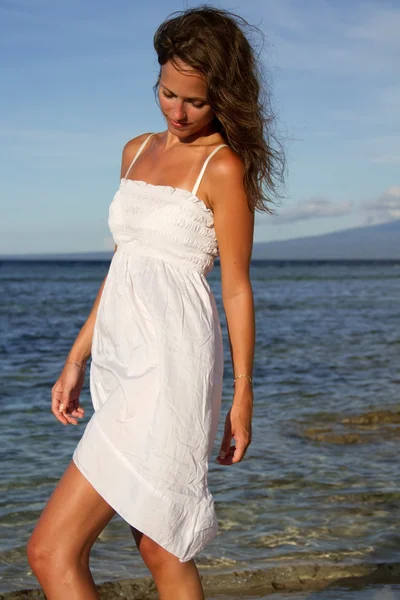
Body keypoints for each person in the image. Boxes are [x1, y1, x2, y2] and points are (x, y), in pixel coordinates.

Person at [26, 5, 284, 599]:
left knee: (51, 551)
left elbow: (238, 287)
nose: (178, 111)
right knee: (159, 548)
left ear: (223, 95)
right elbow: (124, 265)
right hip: (121, 360)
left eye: (195, 100)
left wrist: (243, 396)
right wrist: (76, 355)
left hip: (172, 367)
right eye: (168, 93)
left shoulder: (222, 168)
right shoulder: (135, 150)